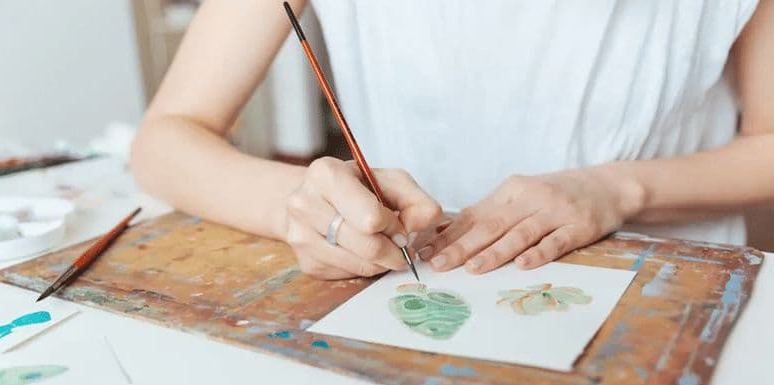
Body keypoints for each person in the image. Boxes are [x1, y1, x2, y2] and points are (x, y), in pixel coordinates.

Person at [130, 0, 774, 280]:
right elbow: (166, 140)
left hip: (660, 305)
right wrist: (299, 206)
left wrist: (619, 190)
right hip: (414, 293)